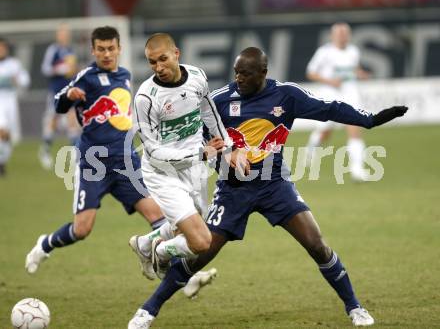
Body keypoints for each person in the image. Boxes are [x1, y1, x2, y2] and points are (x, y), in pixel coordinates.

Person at [126, 47, 408, 328]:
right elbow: (193, 135)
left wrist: (369, 120)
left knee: (317, 244)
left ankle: (355, 307)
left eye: (246, 74)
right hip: (232, 190)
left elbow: (329, 108)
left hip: (275, 185)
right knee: (201, 253)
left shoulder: (286, 95)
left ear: (263, 73)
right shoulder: (220, 101)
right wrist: (217, 154)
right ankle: (147, 311)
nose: (239, 79)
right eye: (236, 72)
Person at [25, 26, 166, 275]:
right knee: (82, 229)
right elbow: (58, 103)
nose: (107, 54)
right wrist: (70, 95)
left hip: (125, 161)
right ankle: (44, 244)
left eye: (111, 48)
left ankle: (179, 272)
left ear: (119, 49)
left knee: (157, 215)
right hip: (94, 163)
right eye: (101, 49)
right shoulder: (87, 76)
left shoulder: (124, 75)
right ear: (93, 50)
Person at [127, 33, 240, 289]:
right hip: (163, 174)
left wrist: (228, 147)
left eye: (163, 59)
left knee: (190, 228)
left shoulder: (197, 76)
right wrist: (200, 154)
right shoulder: (146, 97)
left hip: (195, 169)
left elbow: (209, 112)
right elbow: (153, 152)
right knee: (201, 242)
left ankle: (145, 245)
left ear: (176, 53)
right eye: (152, 62)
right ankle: (161, 252)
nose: (159, 67)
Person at [304, 22, 370, 181]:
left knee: (355, 127)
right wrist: (330, 81)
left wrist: (360, 73)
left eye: (345, 33)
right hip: (330, 94)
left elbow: (353, 69)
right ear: (333, 36)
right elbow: (310, 73)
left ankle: (357, 169)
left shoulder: (353, 51)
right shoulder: (324, 52)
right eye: (339, 34)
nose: (342, 37)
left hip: (350, 94)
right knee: (325, 131)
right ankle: (311, 149)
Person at [39, 24, 81, 170]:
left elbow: (73, 70)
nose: (64, 36)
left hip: (69, 91)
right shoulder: (53, 50)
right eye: (62, 34)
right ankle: (45, 150)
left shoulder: (71, 50)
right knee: (53, 121)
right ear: (58, 36)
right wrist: (59, 69)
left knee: (72, 120)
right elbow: (45, 68)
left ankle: (76, 155)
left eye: (66, 34)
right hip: (56, 91)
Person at [0, 37, 30, 176]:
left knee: (9, 136)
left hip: (11, 101)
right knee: (2, 130)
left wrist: (17, 79)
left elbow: (25, 80)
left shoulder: (14, 64)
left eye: (3, 47)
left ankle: (2, 161)